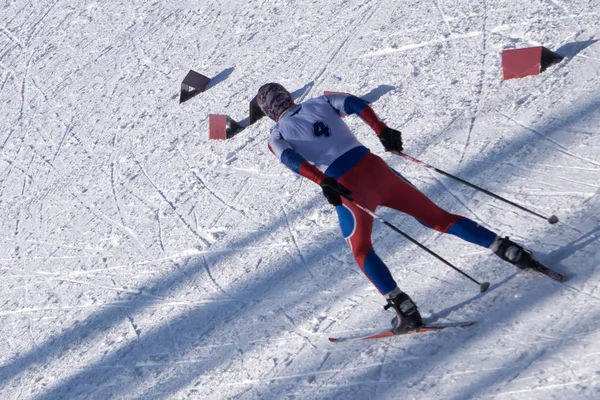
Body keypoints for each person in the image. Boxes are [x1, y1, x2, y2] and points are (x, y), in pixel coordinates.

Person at [256, 83, 537, 333]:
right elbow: (355, 103)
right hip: (375, 168)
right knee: (438, 218)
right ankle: (506, 248)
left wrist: (323, 181)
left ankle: (405, 308)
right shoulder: (321, 101)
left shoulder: (276, 133)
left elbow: (289, 159)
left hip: (346, 185)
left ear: (268, 111)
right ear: (288, 96)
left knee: (362, 249)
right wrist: (382, 130)